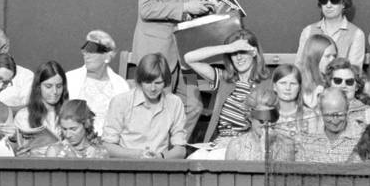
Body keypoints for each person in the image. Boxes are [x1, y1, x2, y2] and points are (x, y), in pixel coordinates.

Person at [131, 0, 212, 136]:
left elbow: (181, 7)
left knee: (193, 106)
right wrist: (186, 7)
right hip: (158, 56)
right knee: (157, 113)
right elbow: (147, 9)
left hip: (181, 55)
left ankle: (170, 151)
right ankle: (158, 158)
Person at [184, 29, 270, 159]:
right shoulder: (225, 80)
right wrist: (227, 47)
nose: (238, 57)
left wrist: (234, 143)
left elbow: (264, 127)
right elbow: (189, 58)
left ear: (254, 52)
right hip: (218, 143)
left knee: (213, 160)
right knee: (192, 161)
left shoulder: (266, 85)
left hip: (246, 146)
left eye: (242, 51)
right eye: (234, 53)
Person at [102, 53, 187, 159]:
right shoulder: (121, 102)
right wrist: (138, 155)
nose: (153, 88)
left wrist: (160, 157)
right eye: (148, 82)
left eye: (158, 83)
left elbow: (180, 149)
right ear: (140, 81)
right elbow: (107, 146)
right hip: (127, 165)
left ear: (165, 82)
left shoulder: (174, 103)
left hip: (160, 166)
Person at [65, 29, 130, 135]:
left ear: (107, 55)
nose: (86, 55)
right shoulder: (70, 79)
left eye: (92, 51)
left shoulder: (120, 85)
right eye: (85, 50)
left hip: (109, 142)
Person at [296, 0, 366, 68]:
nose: (328, 5)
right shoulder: (308, 31)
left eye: (334, 0)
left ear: (344, 3)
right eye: (324, 0)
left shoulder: (356, 34)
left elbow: (354, 72)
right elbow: (300, 67)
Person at [223, 82, 295, 161]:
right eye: (262, 119)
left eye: (272, 118)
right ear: (251, 117)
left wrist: (266, 147)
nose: (267, 124)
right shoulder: (236, 146)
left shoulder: (287, 145)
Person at [14, 60, 68, 156]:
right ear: (38, 87)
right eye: (48, 86)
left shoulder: (69, 112)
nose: (55, 91)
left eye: (59, 86)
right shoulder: (24, 115)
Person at [298, 87, 365, 163]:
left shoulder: (363, 136)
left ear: (347, 109)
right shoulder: (307, 140)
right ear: (320, 111)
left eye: (340, 115)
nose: (335, 121)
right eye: (329, 115)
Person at [323, 57, 370, 128]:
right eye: (338, 80)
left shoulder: (369, 114)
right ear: (329, 83)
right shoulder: (317, 112)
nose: (343, 85)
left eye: (349, 82)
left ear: (356, 87)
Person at [44, 99, 108, 158]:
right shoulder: (55, 152)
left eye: (73, 129)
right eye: (64, 129)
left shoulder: (100, 152)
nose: (68, 135)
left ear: (86, 124)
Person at [297, 33, 337, 109]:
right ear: (314, 58)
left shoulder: (336, 81)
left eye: (334, 56)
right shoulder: (297, 83)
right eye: (327, 56)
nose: (332, 60)